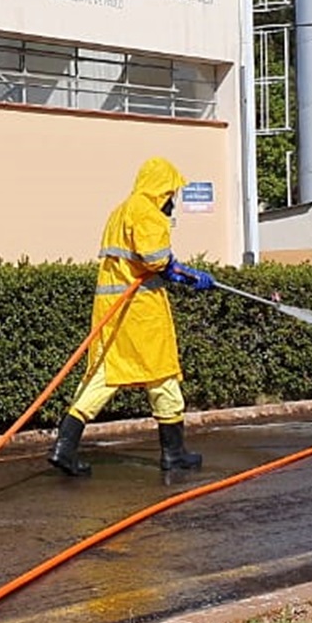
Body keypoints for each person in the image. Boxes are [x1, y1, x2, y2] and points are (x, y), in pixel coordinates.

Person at [48, 157, 215, 477]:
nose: (172, 201)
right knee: (162, 376)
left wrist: (178, 271)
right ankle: (174, 454)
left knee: (105, 375)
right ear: (162, 189)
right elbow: (155, 260)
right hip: (140, 312)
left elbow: (138, 258)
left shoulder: (120, 210)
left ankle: (64, 447)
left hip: (114, 310)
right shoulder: (146, 211)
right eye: (171, 193)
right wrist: (188, 276)